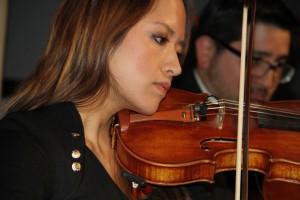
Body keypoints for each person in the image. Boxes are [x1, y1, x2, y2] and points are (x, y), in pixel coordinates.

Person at [0, 0, 193, 199]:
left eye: (179, 52)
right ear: (104, 29)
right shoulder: (25, 144)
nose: (176, 67)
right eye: (160, 38)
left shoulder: (148, 157)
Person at [172, 0, 299, 199]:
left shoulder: (265, 136)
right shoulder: (168, 120)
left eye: (279, 65)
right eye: (256, 60)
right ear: (207, 50)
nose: (268, 81)